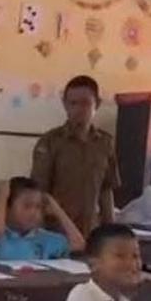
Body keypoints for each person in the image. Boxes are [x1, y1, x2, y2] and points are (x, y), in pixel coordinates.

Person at [31, 75, 120, 236]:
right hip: (56, 232)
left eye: (86, 103)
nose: (79, 109)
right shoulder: (50, 142)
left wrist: (110, 230)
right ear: (65, 105)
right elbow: (39, 191)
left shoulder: (105, 143)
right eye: (73, 103)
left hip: (92, 231)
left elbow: (106, 190)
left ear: (97, 104)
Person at [0, 177, 85, 262]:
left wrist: (57, 210)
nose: (34, 213)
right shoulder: (1, 237)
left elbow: (79, 245)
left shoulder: (46, 238)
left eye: (38, 207)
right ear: (7, 208)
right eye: (27, 206)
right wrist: (2, 196)